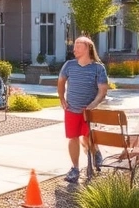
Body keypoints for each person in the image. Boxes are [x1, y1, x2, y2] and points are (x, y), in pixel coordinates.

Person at [58, 36, 108, 183]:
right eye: (74, 46)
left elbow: (102, 90)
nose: (74, 48)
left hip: (89, 112)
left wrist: (95, 103)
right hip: (71, 109)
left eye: (78, 45)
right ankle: (75, 168)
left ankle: (96, 152)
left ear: (88, 48)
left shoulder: (98, 68)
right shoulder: (69, 65)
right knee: (73, 138)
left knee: (88, 138)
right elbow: (61, 82)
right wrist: (61, 98)